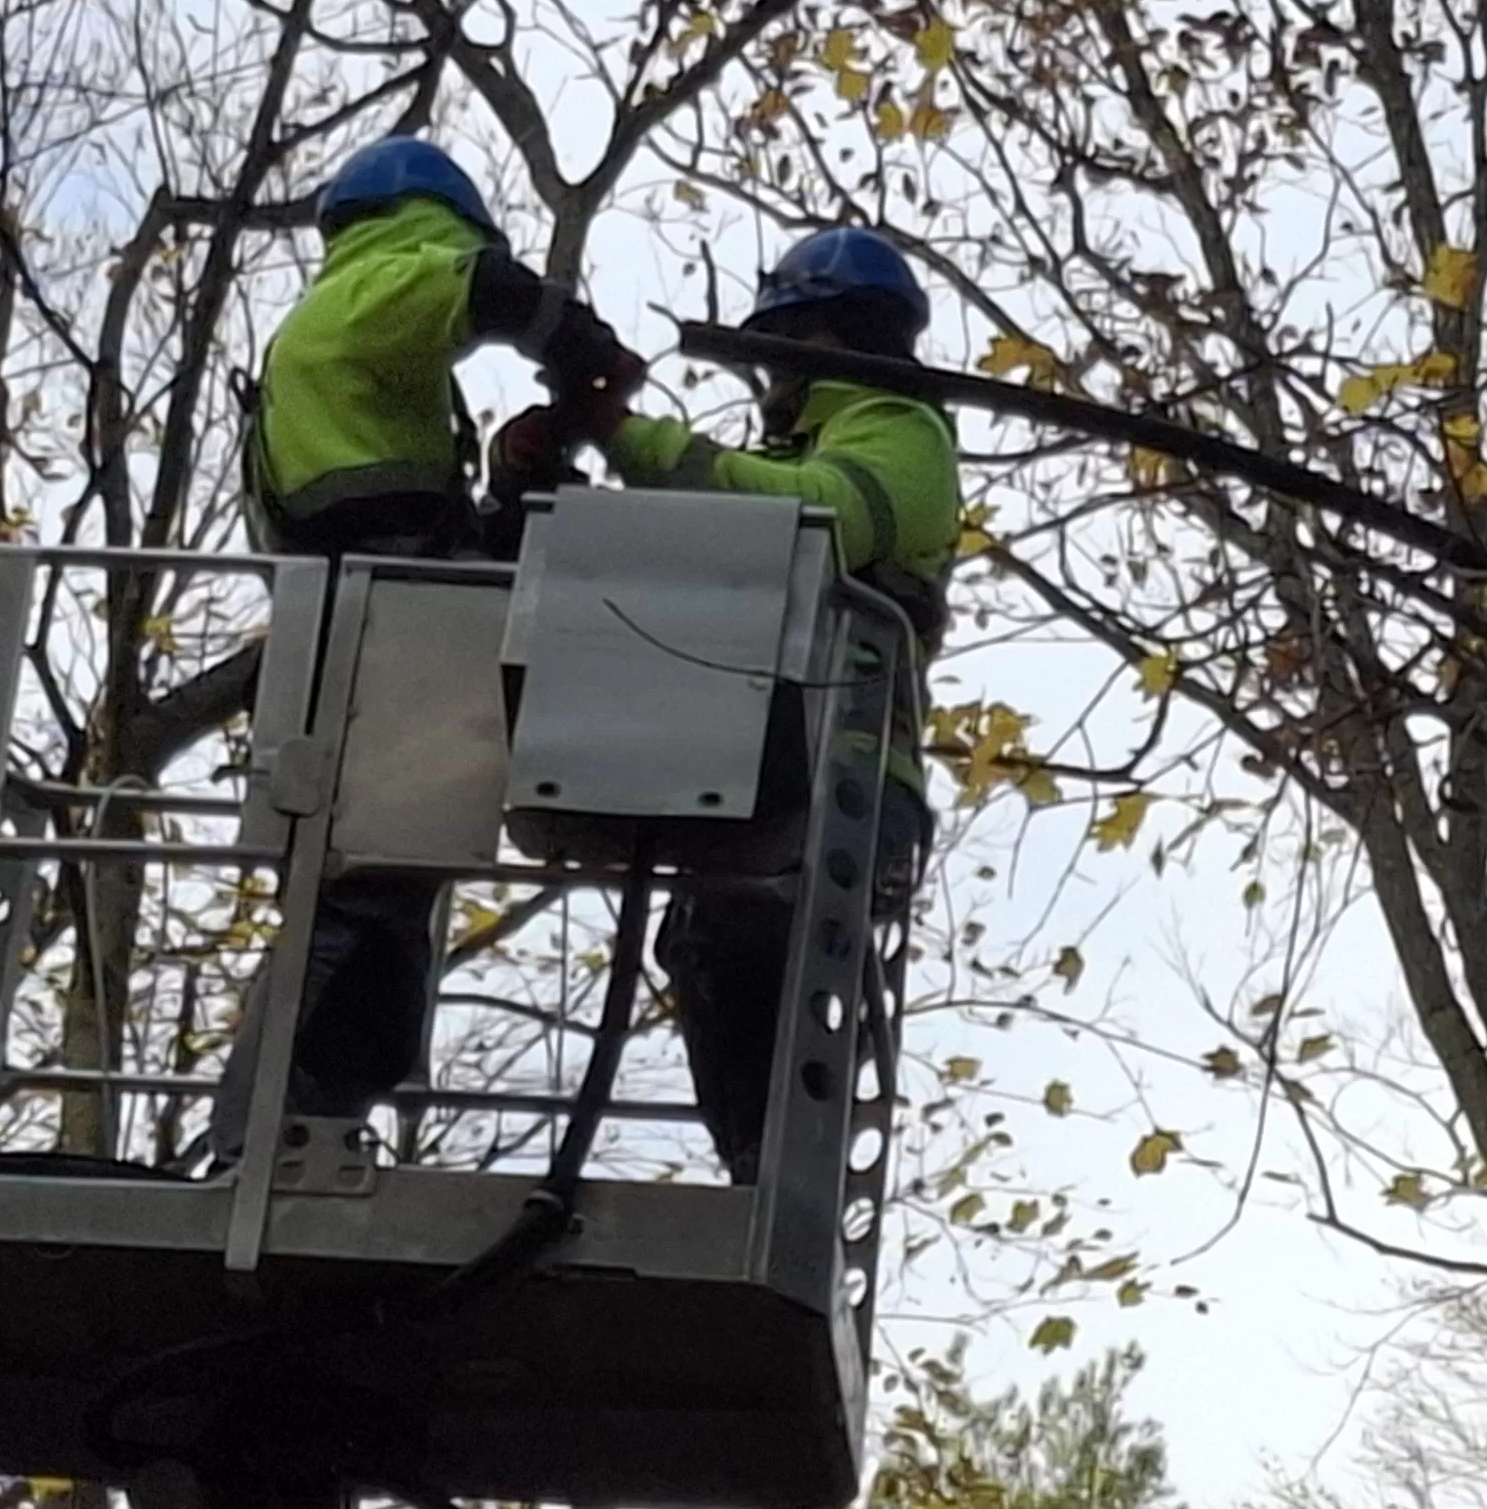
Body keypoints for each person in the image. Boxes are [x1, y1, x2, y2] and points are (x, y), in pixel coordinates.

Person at [215, 137, 636, 1145]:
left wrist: (514, 492)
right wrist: (581, 347)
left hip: (374, 632)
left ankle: (307, 1125)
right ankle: (271, 1135)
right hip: (386, 635)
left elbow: (415, 522)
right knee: (364, 905)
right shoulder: (374, 292)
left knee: (384, 901)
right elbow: (488, 288)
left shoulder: (339, 355)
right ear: (424, 224)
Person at [587, 225, 960, 1182]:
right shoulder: (837, 433)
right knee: (706, 940)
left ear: (825, 339)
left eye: (781, 352)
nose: (768, 385)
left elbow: (810, 518)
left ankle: (789, 1174)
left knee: (757, 932)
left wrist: (631, 440)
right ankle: (760, 1170)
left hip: (851, 779)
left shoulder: (901, 433)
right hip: (775, 770)